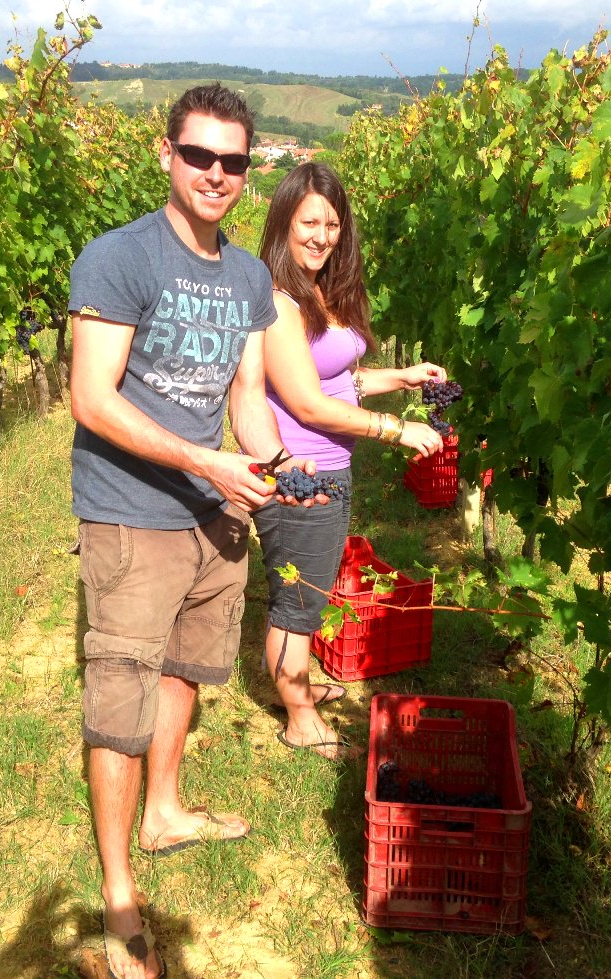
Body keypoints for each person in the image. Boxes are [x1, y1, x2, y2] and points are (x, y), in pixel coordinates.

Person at [68, 84, 323, 979]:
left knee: (187, 666)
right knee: (119, 698)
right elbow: (90, 399)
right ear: (166, 154)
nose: (217, 174)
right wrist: (202, 462)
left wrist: (272, 464)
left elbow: (248, 399)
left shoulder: (250, 277)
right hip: (133, 514)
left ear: (249, 171)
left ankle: (166, 808)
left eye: (234, 161)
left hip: (216, 516)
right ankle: (120, 898)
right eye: (200, 156)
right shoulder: (118, 258)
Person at [253, 162, 446, 760]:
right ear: (284, 222)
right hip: (300, 476)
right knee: (298, 599)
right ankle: (297, 717)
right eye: (309, 221)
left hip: (330, 470)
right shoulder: (280, 301)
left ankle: (301, 688)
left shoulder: (316, 290)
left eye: (333, 223)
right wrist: (395, 429)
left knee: (308, 586)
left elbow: (336, 380)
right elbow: (309, 404)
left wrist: (403, 377)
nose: (322, 235)